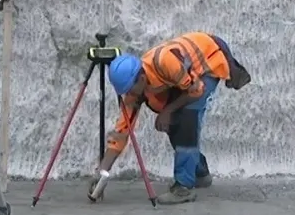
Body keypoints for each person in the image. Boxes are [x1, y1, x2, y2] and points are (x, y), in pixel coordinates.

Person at [93, 31, 251, 205]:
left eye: (131, 90)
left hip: (209, 58)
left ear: (142, 78)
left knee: (186, 118)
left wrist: (167, 111)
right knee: (173, 124)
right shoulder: (134, 86)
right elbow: (122, 132)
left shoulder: (165, 63)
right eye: (126, 92)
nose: (129, 95)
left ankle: (184, 188)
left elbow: (196, 90)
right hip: (184, 74)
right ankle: (200, 174)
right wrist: (102, 171)